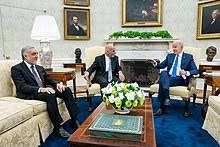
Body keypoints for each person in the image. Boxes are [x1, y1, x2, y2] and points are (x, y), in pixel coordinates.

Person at [11, 46, 80, 138]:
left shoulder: (39, 68)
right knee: (50, 94)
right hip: (30, 93)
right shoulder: (17, 69)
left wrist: (57, 84)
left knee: (66, 90)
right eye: (33, 54)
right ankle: (57, 127)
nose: (36, 56)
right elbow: (22, 87)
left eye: (37, 53)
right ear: (25, 56)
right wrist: (41, 89)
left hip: (43, 91)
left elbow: (48, 80)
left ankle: (74, 120)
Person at [150, 40, 199, 117]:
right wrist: (155, 64)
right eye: (173, 47)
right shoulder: (170, 56)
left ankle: (161, 107)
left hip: (179, 79)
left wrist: (186, 72)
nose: (173, 49)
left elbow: (195, 70)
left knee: (163, 81)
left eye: (175, 47)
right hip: (169, 77)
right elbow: (162, 65)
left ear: (181, 47)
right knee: (163, 73)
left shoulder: (189, 57)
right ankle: (166, 98)